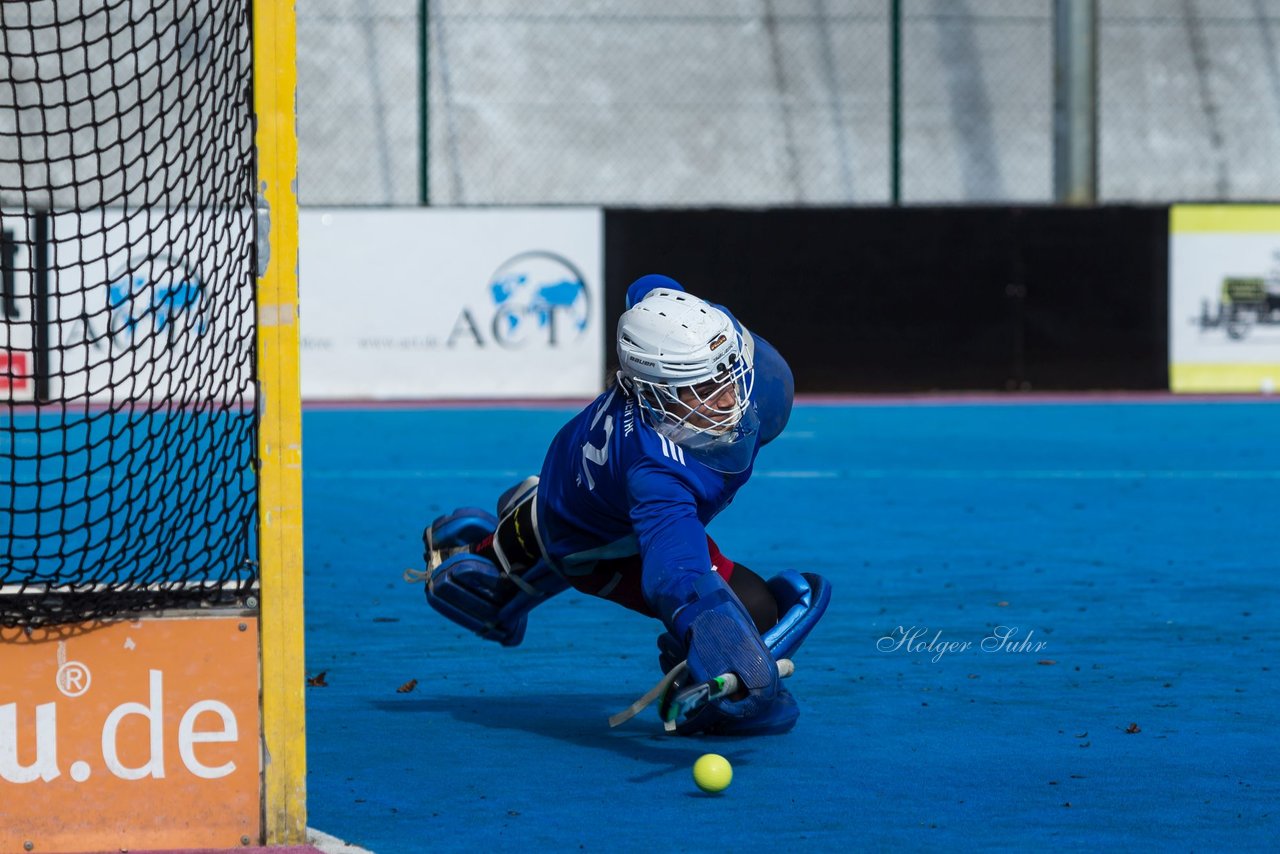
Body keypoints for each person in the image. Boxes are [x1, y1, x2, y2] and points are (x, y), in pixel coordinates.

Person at [412, 274, 830, 735]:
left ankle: (509, 539)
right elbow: (676, 572)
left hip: (572, 464)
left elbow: (648, 287)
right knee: (758, 614)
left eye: (725, 370)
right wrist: (720, 642)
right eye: (700, 388)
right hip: (604, 546)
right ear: (653, 393)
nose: (728, 394)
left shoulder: (686, 337)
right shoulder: (657, 473)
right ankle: (697, 692)